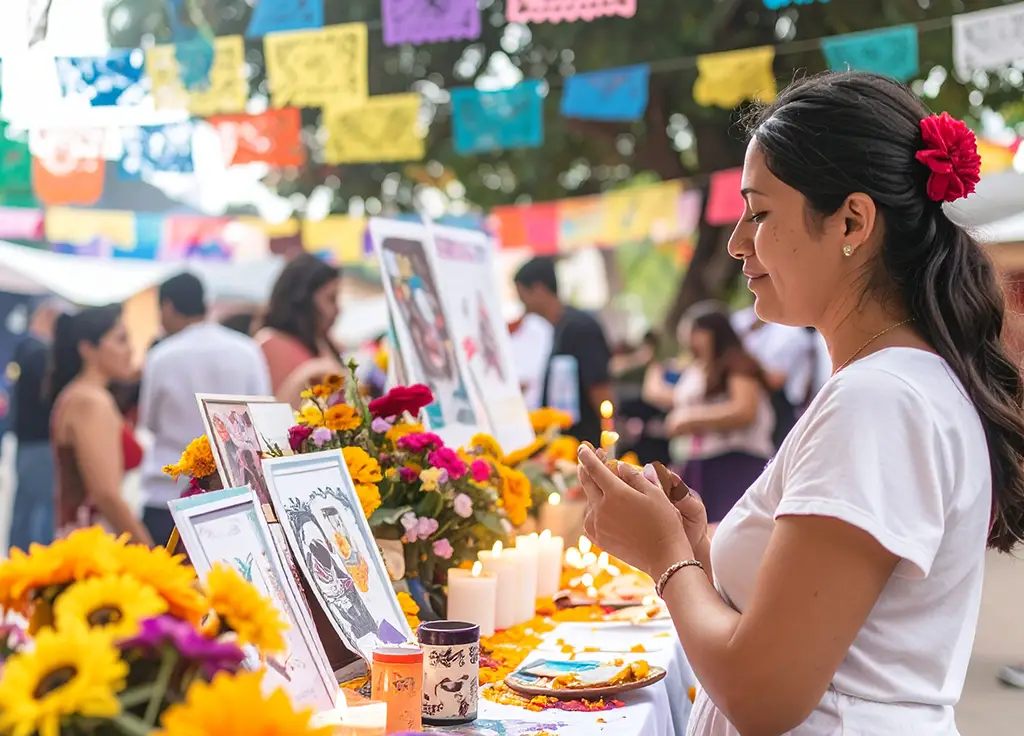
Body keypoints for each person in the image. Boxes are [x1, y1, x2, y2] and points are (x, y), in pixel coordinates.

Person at [575, 72, 1024, 735]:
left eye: (758, 212)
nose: (737, 243)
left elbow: (764, 695)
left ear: (851, 220)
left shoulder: (881, 400)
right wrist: (696, 547)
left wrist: (665, 557)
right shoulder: (888, 386)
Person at [138, 273, 271, 546]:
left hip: (167, 495)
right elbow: (262, 415)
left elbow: (148, 422)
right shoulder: (246, 350)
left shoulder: (161, 356)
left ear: (168, 307)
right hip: (233, 493)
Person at [644, 306, 774, 523]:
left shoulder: (737, 363)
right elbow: (666, 396)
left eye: (695, 334)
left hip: (735, 464)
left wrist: (691, 420)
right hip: (702, 464)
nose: (689, 342)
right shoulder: (698, 368)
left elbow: (744, 410)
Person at [50, 304, 151, 544]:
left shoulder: (84, 395)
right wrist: (148, 550)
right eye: (120, 340)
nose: (129, 350)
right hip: (94, 546)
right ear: (88, 349)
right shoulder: (90, 400)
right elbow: (106, 495)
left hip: (89, 540)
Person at [514, 257, 612, 446]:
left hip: (587, 444)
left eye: (522, 295)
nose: (522, 304)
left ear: (539, 289)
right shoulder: (555, 328)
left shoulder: (580, 328)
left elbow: (601, 389)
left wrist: (608, 443)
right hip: (566, 443)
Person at [7, 298, 69, 550]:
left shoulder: (26, 349)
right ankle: (35, 568)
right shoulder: (39, 352)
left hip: (28, 441)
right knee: (41, 509)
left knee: (26, 506)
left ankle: (19, 564)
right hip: (40, 442)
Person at [255, 254, 344, 408]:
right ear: (304, 300)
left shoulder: (324, 343)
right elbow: (279, 411)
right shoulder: (273, 343)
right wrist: (307, 374)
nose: (338, 310)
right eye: (331, 299)